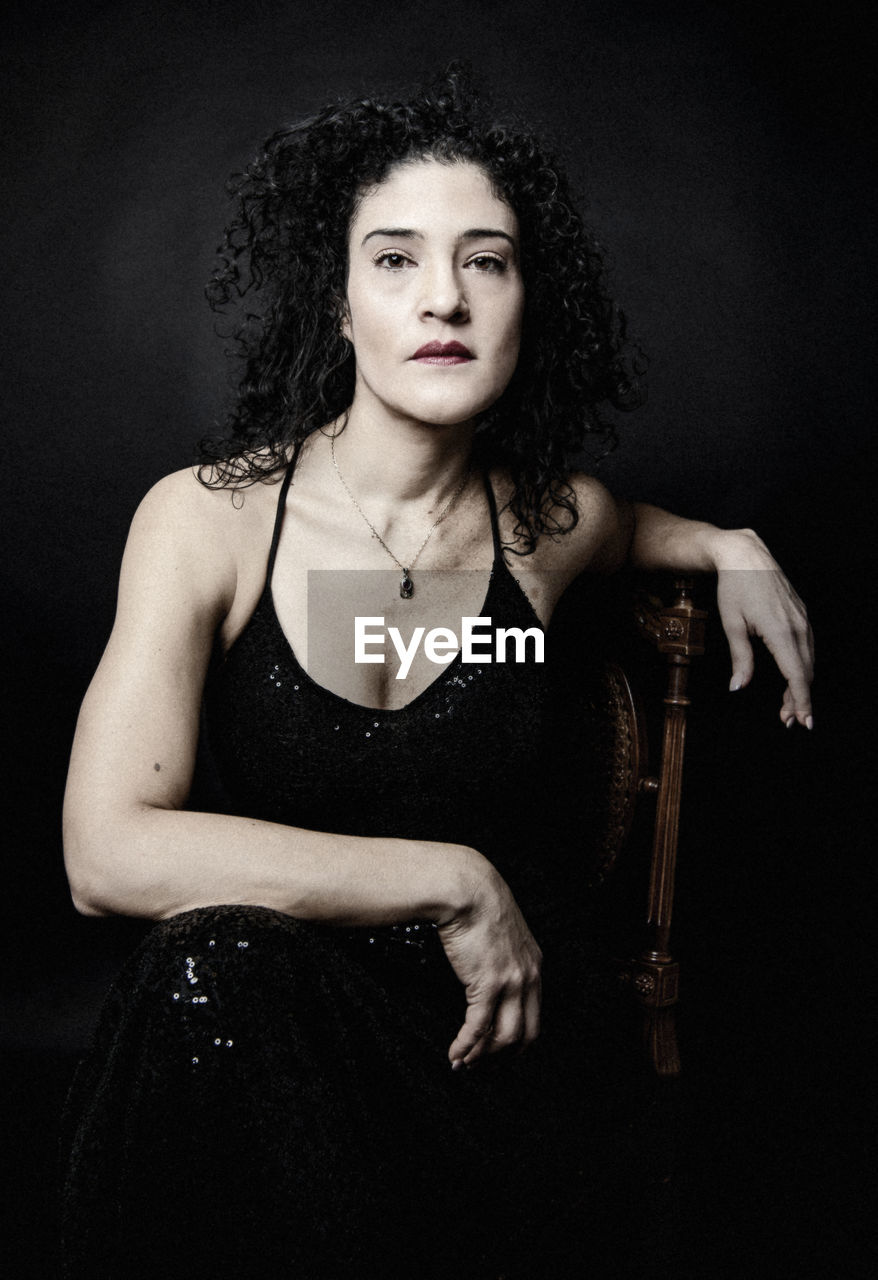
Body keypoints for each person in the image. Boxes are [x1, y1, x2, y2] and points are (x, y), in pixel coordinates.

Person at [60, 67, 813, 1277]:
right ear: (342, 301)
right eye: (397, 259)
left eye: (488, 260)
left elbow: (629, 529)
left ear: (528, 304)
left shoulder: (550, 527)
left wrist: (729, 543)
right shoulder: (207, 522)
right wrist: (449, 880)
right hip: (272, 1031)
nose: (445, 297)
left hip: (495, 1048)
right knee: (211, 965)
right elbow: (104, 851)